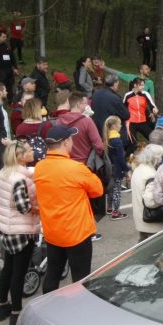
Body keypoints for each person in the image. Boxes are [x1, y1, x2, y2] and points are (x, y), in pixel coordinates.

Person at [33, 124, 103, 293]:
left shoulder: (40, 167)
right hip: (77, 233)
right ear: (65, 143)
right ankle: (77, 314)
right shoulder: (75, 168)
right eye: (71, 139)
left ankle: (48, 308)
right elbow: (98, 190)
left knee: (53, 274)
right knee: (81, 279)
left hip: (53, 232)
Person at [0, 140, 40, 325]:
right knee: (18, 273)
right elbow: (23, 206)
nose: (32, 152)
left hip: (6, 227)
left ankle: (2, 306)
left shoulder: (4, 172)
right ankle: (16, 313)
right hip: (20, 230)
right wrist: (38, 209)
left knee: (8, 268)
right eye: (29, 150)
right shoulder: (20, 179)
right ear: (20, 157)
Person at [56, 91, 104, 163]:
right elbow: (99, 146)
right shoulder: (87, 121)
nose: (87, 106)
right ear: (78, 104)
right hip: (84, 163)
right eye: (85, 103)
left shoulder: (59, 121)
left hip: (65, 163)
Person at [130, 144, 163, 241]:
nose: (161, 159)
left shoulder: (138, 169)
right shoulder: (150, 175)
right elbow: (150, 201)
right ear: (155, 158)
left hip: (140, 219)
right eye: (160, 156)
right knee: (156, 253)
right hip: (151, 222)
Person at [103, 116, 129, 221]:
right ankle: (116, 212)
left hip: (109, 168)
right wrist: (126, 170)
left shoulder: (107, 138)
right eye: (119, 124)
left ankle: (109, 208)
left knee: (111, 189)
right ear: (114, 126)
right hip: (117, 169)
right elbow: (120, 159)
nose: (121, 125)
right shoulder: (117, 141)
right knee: (117, 191)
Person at [92, 74, 130, 141]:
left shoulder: (96, 93)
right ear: (115, 84)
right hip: (110, 131)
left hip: (97, 128)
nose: (118, 86)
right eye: (118, 84)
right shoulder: (114, 98)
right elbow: (126, 115)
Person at [123, 77, 158, 145]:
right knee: (133, 144)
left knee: (153, 139)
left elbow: (152, 104)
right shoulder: (128, 95)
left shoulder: (145, 94)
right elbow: (123, 107)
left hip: (143, 122)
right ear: (135, 85)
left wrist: (154, 109)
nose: (143, 87)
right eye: (141, 85)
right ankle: (129, 155)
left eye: (143, 85)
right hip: (131, 123)